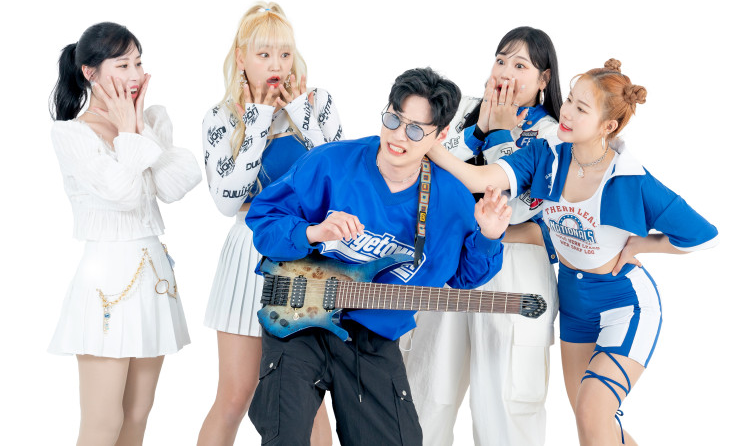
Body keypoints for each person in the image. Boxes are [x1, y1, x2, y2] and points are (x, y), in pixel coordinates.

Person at [428, 59, 719, 445]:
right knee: (594, 427)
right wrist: (427, 144)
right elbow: (480, 177)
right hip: (575, 306)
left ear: (608, 126)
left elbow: (702, 235)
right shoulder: (546, 154)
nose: (565, 112)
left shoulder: (629, 178)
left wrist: (641, 244)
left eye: (581, 108)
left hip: (624, 303)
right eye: (569, 101)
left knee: (592, 414)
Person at [244, 67, 513, 446]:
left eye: (416, 130)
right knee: (284, 435)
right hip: (300, 320)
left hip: (373, 337)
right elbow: (264, 219)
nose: (399, 136)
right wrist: (313, 232)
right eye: (393, 119)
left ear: (440, 135)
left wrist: (488, 235)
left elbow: (463, 278)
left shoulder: (451, 199)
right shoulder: (331, 162)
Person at [404, 26, 562, 446]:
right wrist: (479, 130)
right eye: (501, 60)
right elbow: (426, 170)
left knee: (506, 401)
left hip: (516, 268)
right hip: (453, 260)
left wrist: (499, 135)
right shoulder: (465, 111)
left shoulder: (554, 134)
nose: (505, 72)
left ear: (544, 79)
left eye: (520, 65)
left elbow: (516, 209)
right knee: (428, 388)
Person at [48, 22, 202, 446]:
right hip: (106, 284)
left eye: (138, 63)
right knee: (103, 422)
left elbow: (176, 184)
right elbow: (124, 194)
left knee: (136, 416)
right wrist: (129, 134)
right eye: (122, 65)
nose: (135, 75)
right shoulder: (72, 133)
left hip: (153, 279)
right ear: (89, 72)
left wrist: (139, 127)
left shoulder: (151, 120)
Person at [198, 2, 340, 446]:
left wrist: (299, 112)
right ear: (241, 57)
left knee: (312, 399)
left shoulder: (317, 104)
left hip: (308, 252)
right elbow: (227, 201)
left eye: (284, 53)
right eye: (264, 54)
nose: (277, 65)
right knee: (235, 396)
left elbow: (339, 180)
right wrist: (257, 120)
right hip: (249, 253)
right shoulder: (221, 117)